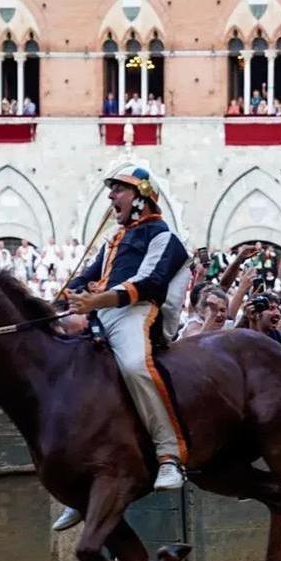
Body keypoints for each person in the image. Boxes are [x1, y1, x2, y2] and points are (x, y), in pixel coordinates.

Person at [63, 166, 192, 530]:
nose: (110, 197)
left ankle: (168, 455)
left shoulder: (165, 236)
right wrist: (70, 294)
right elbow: (85, 275)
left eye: (118, 190)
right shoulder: (113, 240)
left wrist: (98, 299)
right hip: (101, 314)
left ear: (140, 197)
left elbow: (151, 283)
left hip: (137, 313)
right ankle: (82, 487)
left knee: (136, 365)